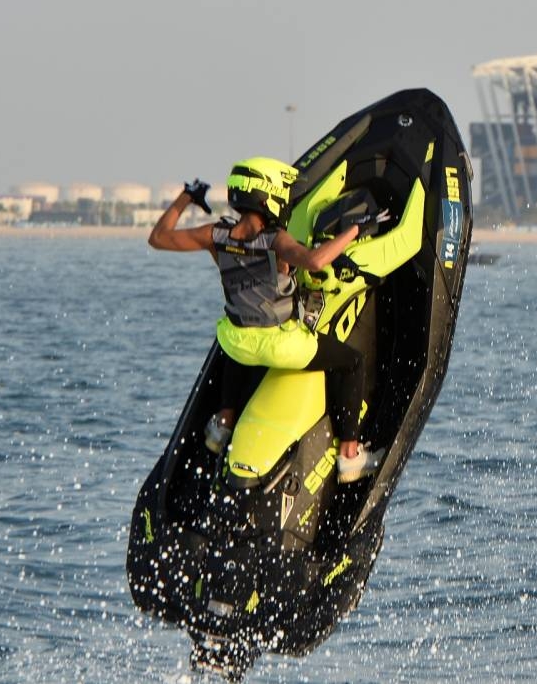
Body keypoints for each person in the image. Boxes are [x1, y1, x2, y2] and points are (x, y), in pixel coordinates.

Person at [148, 156, 384, 482]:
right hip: (279, 346)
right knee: (352, 362)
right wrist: (357, 228)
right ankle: (350, 455)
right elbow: (315, 261)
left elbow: (158, 238)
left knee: (235, 335)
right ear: (268, 197)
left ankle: (223, 425)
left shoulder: (216, 235)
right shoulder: (275, 239)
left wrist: (188, 196)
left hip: (238, 345)